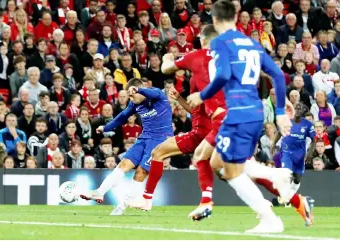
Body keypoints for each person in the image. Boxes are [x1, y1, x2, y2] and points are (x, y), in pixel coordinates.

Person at [185, 0, 293, 232]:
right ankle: (274, 186)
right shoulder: (252, 43)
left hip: (237, 114)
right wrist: (281, 112)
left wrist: (202, 95)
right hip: (255, 113)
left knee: (231, 172)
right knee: (219, 162)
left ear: (214, 20)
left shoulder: (220, 42)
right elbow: (277, 74)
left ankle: (272, 205)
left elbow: (223, 74)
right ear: (235, 17)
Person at [126, 25, 226, 216]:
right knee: (160, 152)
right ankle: (147, 199)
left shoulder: (199, 59)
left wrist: (167, 57)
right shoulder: (216, 69)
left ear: (202, 39)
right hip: (207, 128)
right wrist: (179, 98)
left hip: (205, 131)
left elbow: (166, 68)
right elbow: (198, 109)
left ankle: (148, 199)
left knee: (160, 152)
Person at [80, 78, 173, 216]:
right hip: (144, 137)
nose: (130, 99)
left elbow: (154, 93)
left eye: (132, 95)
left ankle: (122, 206)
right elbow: (122, 116)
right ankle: (99, 192)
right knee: (124, 164)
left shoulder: (157, 95)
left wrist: (139, 90)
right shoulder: (135, 103)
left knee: (140, 172)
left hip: (160, 140)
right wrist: (105, 127)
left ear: (139, 91)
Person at [273, 102, 315, 226]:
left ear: (303, 111)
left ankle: (290, 196)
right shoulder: (287, 120)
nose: (297, 109)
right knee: (286, 174)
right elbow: (280, 132)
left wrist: (310, 153)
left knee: (297, 179)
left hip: (300, 155)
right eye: (295, 107)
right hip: (287, 151)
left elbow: (314, 140)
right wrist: (273, 144)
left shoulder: (307, 124)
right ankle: (287, 197)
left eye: (299, 108)